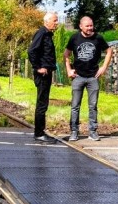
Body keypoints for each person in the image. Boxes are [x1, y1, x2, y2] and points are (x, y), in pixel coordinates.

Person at [64, 15, 111, 142]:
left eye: (91, 25)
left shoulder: (98, 38)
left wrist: (104, 67)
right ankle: (74, 131)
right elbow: (66, 54)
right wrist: (69, 69)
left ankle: (93, 131)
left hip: (93, 77)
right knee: (75, 105)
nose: (90, 28)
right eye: (87, 26)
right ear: (81, 26)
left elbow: (109, 51)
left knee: (93, 105)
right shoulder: (74, 38)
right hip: (78, 76)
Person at [27, 11, 60, 144]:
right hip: (42, 74)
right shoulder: (42, 33)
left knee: (43, 103)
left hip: (47, 72)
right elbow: (31, 51)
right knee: (41, 103)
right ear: (47, 21)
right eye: (55, 20)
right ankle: (39, 133)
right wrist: (38, 67)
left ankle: (41, 131)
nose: (57, 23)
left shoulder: (47, 34)